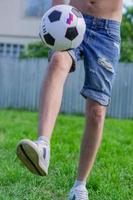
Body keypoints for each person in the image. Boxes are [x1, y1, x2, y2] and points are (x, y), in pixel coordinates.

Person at [16, 0, 123, 199]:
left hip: (107, 31)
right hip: (71, 17)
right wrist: (54, 13)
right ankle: (43, 146)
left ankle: (79, 187)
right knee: (58, 60)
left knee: (97, 112)